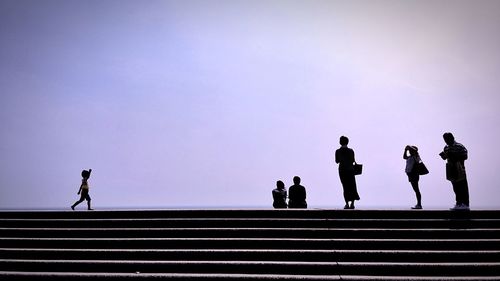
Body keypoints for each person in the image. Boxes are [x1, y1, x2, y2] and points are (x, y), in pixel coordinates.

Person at [439, 132, 470, 210]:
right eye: (444, 139)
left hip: (459, 168)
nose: (445, 141)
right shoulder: (446, 147)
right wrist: (444, 156)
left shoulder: (459, 146)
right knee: (455, 187)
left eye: (447, 139)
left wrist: (454, 155)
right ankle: (458, 203)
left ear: (452, 137)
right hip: (451, 168)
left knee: (462, 186)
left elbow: (465, 156)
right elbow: (445, 158)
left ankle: (465, 204)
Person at [335, 136, 360, 209]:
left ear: (340, 142)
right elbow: (353, 160)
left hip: (342, 170)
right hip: (350, 170)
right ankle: (352, 203)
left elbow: (337, 161)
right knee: (352, 186)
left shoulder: (338, 151)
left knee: (345, 187)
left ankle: (346, 204)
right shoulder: (351, 151)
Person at [404, 145, 423, 209]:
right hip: (410, 175)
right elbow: (404, 157)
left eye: (410, 150)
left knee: (416, 190)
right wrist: (405, 150)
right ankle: (418, 204)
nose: (409, 151)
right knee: (415, 190)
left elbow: (415, 150)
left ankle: (419, 204)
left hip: (414, 174)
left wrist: (409, 146)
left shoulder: (416, 156)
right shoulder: (410, 157)